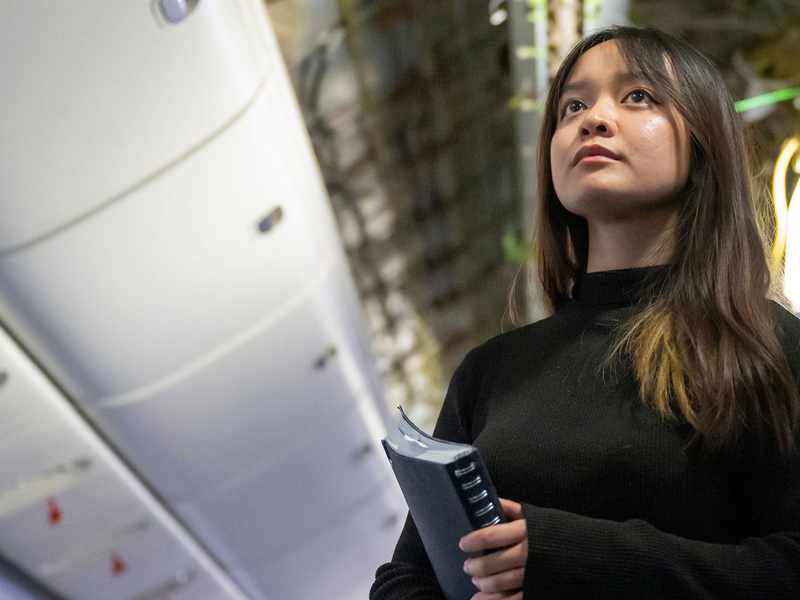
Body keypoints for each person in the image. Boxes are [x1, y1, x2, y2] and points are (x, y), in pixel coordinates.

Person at [369, 24, 800, 600]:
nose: (592, 119)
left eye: (638, 96)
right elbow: (407, 577)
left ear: (703, 143)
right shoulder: (491, 371)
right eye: (573, 104)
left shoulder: (769, 346)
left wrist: (565, 554)